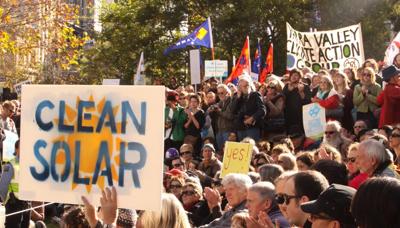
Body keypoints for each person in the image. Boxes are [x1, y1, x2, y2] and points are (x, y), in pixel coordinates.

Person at [0, 139, 31, 228]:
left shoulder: (30, 164)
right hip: (14, 203)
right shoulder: (10, 165)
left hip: (27, 203)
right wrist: (5, 202)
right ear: (16, 149)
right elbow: (3, 186)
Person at [232, 74, 266, 141]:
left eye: (246, 85)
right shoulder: (237, 96)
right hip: (240, 128)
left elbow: (262, 110)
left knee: (252, 148)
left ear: (250, 85)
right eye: (241, 86)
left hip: (252, 127)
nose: (245, 88)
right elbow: (233, 111)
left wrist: (252, 118)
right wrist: (238, 98)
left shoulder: (255, 95)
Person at [214, 84, 235, 151]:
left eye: (222, 93)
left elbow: (230, 116)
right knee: (220, 152)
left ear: (227, 93)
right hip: (219, 131)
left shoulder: (231, 102)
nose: (220, 95)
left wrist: (219, 111)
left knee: (228, 152)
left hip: (228, 131)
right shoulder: (220, 103)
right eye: (218, 93)